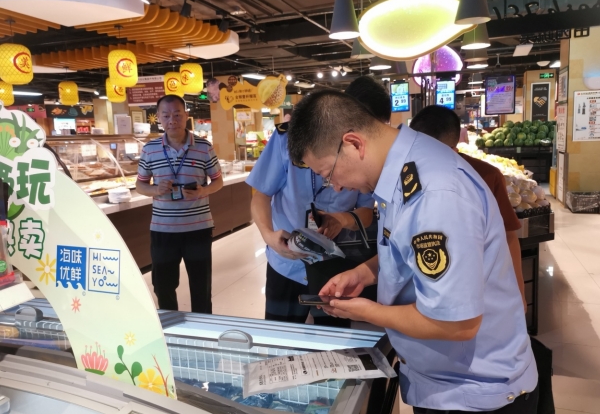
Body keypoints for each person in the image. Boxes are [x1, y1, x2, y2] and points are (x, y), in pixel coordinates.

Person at [287, 90, 538, 413]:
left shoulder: (435, 193)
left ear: (353, 144)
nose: (335, 186)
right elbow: (405, 246)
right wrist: (363, 273)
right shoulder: (406, 164)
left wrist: (365, 312)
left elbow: (456, 324)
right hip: (444, 381)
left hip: (472, 393)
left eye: (328, 173)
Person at [246, 78, 389, 325]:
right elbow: (261, 194)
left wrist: (341, 220)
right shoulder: (287, 138)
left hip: (334, 265)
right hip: (286, 262)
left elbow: (367, 212)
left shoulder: (365, 155)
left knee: (332, 338)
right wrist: (269, 236)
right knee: (280, 335)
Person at [409, 105, 526, 310]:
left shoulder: (486, 176)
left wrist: (519, 293)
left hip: (481, 286)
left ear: (453, 149)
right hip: (428, 288)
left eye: (431, 155)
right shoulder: (408, 177)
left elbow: (508, 235)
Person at [136, 95, 223, 314]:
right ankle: (171, 326)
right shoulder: (150, 149)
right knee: (163, 286)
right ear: (159, 118)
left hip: (198, 228)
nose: (172, 120)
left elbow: (218, 181)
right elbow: (140, 185)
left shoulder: (204, 147)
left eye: (177, 114)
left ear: (186, 116)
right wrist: (156, 190)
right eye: (166, 115)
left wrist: (203, 191)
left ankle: (203, 327)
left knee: (201, 286)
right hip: (163, 230)